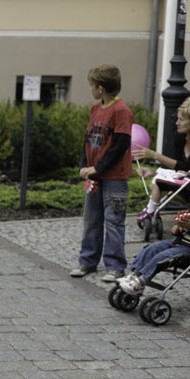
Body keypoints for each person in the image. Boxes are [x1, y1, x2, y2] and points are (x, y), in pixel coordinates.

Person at [71, 64, 133, 282]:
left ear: (100, 88)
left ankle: (115, 266)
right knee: (91, 219)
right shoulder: (96, 109)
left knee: (113, 221)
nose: (90, 90)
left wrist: (98, 168)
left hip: (114, 178)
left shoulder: (121, 111)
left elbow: (120, 145)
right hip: (94, 176)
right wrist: (84, 165)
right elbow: (88, 140)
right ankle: (87, 261)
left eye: (91, 86)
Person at [118, 186, 190, 296]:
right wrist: (177, 228)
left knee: (162, 256)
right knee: (153, 248)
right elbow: (175, 232)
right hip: (178, 243)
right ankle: (135, 274)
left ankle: (141, 280)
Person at [132, 98, 190, 227]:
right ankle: (151, 212)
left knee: (159, 179)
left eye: (181, 120)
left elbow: (185, 166)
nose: (176, 123)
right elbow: (179, 170)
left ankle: (150, 212)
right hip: (186, 181)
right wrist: (153, 172)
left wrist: (155, 155)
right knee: (157, 180)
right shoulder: (179, 137)